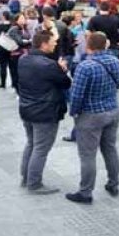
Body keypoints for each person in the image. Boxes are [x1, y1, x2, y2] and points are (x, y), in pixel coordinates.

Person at [66, 32, 119, 204]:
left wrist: (74, 112)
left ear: (88, 46)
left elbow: (76, 95)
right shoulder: (115, 61)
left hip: (91, 114)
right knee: (110, 149)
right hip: (112, 110)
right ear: (105, 45)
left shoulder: (85, 66)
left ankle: (85, 192)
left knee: (88, 155)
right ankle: (113, 183)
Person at [18, 30, 72, 194]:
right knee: (41, 148)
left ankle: (26, 178)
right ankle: (34, 183)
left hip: (27, 108)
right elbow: (66, 83)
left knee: (31, 144)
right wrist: (62, 69)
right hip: (45, 111)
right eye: (53, 42)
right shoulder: (48, 65)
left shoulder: (23, 59)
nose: (55, 44)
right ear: (43, 44)